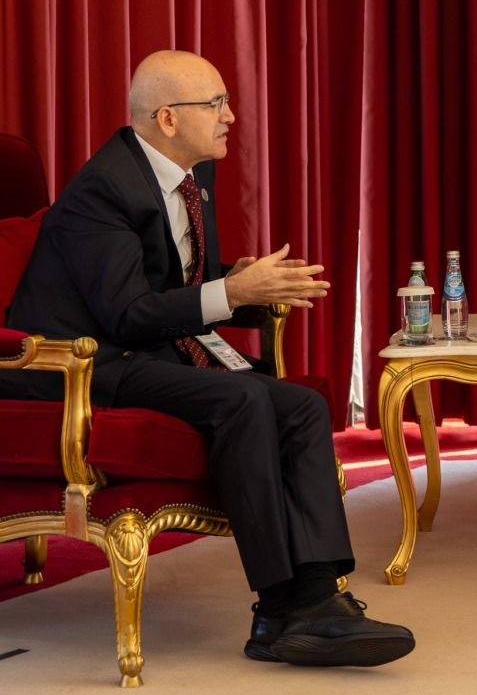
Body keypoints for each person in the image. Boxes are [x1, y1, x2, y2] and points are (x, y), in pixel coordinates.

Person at [5, 50, 415, 668]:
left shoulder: (194, 174)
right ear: (168, 118)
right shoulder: (102, 190)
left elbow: (168, 279)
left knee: (302, 406)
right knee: (242, 397)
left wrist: (241, 284)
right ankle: (276, 610)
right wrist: (231, 292)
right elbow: (125, 313)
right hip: (82, 366)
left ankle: (318, 598)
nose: (231, 116)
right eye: (216, 103)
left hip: (139, 349)